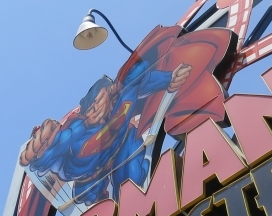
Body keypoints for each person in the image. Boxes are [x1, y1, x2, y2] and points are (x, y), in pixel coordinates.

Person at [20, 60, 193, 204]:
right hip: (90, 177)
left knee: (132, 184)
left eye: (97, 102)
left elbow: (140, 78)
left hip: (124, 148)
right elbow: (58, 144)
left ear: (109, 94)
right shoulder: (78, 131)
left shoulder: (123, 98)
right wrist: (39, 150)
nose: (93, 110)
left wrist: (169, 79)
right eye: (89, 108)